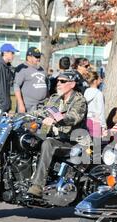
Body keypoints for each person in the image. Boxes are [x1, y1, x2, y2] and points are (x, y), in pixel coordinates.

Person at [27, 70, 87, 198]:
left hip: (73, 142)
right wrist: (24, 116)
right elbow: (42, 110)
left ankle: (37, 186)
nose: (58, 83)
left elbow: (73, 117)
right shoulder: (55, 98)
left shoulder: (79, 100)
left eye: (63, 81)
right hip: (56, 137)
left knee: (48, 144)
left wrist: (55, 119)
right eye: (58, 81)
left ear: (72, 84)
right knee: (30, 140)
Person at [14, 47, 48, 113]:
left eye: (39, 57)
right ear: (29, 57)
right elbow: (16, 86)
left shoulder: (41, 69)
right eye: (36, 57)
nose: (38, 59)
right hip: (27, 106)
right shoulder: (22, 68)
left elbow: (45, 84)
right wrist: (21, 104)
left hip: (41, 106)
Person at [0, 43, 18, 113]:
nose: (14, 55)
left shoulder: (7, 67)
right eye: (12, 53)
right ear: (5, 53)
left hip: (5, 105)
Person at [84, 71, 106, 138]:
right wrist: (103, 125)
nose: (101, 80)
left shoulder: (86, 92)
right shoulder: (99, 93)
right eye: (99, 79)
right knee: (96, 145)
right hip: (96, 121)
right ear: (95, 81)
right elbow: (101, 110)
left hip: (87, 120)